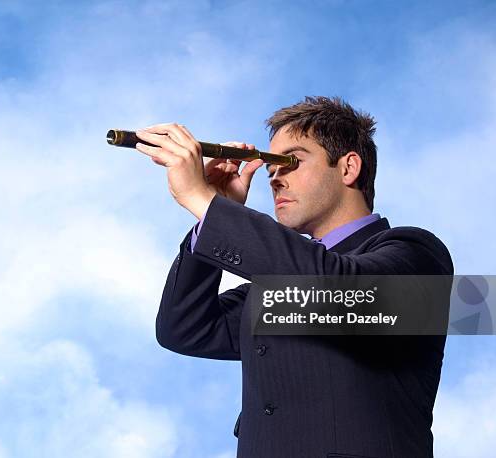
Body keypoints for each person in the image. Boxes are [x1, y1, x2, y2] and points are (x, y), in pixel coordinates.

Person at [134, 96, 453, 458]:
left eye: (291, 162)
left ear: (349, 168)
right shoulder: (276, 287)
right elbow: (185, 328)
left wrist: (206, 202)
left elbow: (340, 289)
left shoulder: (416, 253)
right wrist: (213, 217)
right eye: (269, 169)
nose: (275, 179)